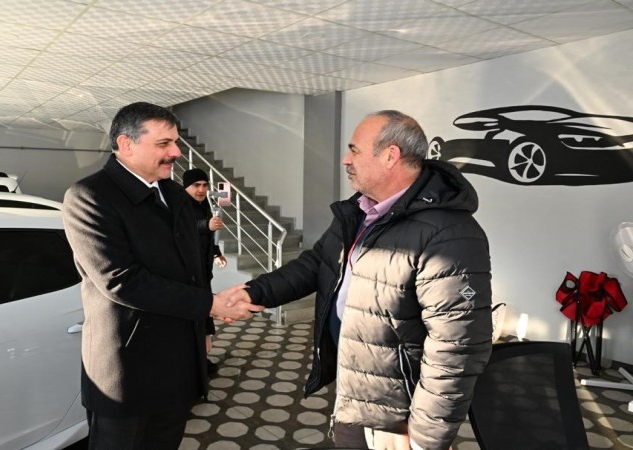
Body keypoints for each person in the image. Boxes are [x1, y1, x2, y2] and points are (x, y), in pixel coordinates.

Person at [229, 110, 492, 449]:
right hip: (357, 392)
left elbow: (456, 347)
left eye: (354, 150)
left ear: (390, 156)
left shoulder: (448, 234)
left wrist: (426, 437)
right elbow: (318, 263)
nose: (345, 159)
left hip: (397, 417)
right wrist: (257, 292)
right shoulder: (361, 210)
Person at [62, 102, 263, 450]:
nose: (176, 152)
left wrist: (206, 320)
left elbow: (191, 272)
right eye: (164, 144)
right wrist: (210, 305)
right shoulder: (89, 196)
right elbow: (121, 280)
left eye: (176, 142)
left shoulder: (173, 194)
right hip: (127, 373)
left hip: (177, 365)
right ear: (126, 144)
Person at [183, 167, 228, 376]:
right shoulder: (180, 206)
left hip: (202, 271)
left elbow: (207, 238)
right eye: (196, 185)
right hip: (187, 274)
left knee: (203, 311)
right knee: (194, 313)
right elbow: (182, 230)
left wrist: (216, 254)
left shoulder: (204, 205)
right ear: (186, 187)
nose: (201, 190)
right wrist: (205, 225)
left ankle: (201, 357)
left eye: (204, 185)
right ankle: (194, 360)